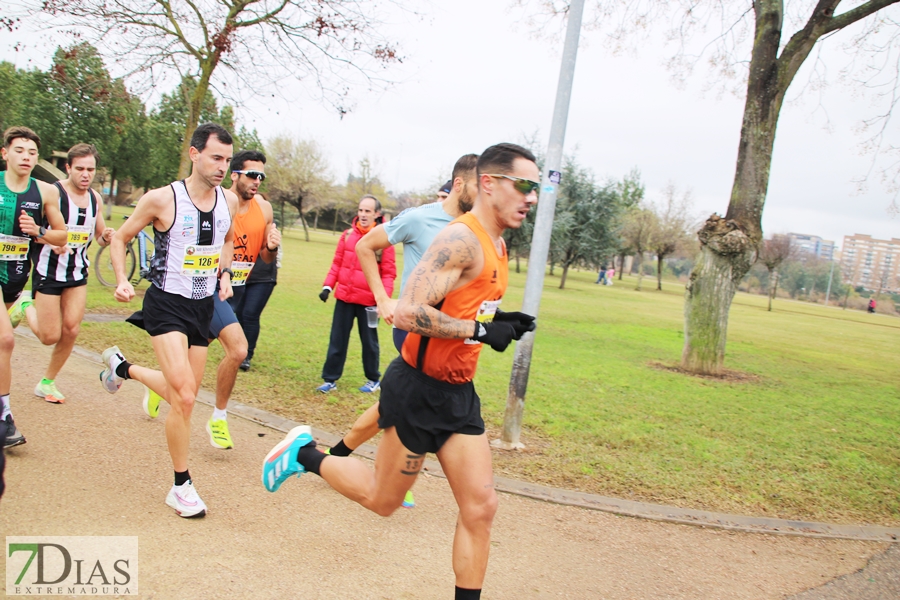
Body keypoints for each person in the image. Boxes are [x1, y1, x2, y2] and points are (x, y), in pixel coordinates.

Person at [262, 143, 539, 600]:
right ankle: (304, 455)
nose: (530, 197)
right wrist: (480, 329)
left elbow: (463, 300)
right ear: (489, 183)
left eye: (535, 189)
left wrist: (499, 319)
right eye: (524, 185)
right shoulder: (460, 239)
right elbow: (408, 311)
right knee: (382, 500)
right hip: (417, 392)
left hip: (458, 394)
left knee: (481, 507)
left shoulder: (498, 243)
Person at [99, 123, 238, 518]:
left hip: (202, 307)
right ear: (194, 154)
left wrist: (224, 274)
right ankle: (181, 486)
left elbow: (227, 240)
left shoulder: (227, 200)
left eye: (227, 160)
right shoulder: (162, 199)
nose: (222, 167)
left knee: (183, 398)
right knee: (187, 396)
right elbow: (120, 237)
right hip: (166, 304)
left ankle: (122, 367)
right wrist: (123, 280)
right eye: (215, 158)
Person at [325, 154, 479, 510]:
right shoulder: (421, 217)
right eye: (478, 186)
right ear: (459, 184)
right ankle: (372, 472)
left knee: (396, 405)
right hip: (414, 329)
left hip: (451, 334)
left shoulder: (476, 228)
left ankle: (339, 454)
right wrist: (382, 298)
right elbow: (366, 246)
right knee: (413, 406)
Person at [109, 150, 279, 452]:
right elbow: (127, 235)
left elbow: (258, 254)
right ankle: (218, 419)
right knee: (238, 350)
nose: (257, 181)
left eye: (261, 176)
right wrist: (123, 280)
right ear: (237, 175)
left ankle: (131, 372)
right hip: (193, 293)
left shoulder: (261, 208)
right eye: (252, 174)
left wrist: (264, 251)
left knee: (183, 385)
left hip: (223, 291)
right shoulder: (205, 198)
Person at [20, 143, 115, 404]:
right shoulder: (53, 193)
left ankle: (47, 382)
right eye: (80, 169)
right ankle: (26, 305)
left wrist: (106, 236)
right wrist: (51, 239)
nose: (86, 174)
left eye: (91, 169)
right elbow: (31, 230)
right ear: (68, 168)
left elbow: (99, 235)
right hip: (48, 270)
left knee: (71, 329)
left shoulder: (95, 198)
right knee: (49, 336)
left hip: (77, 273)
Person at [2, 126, 68, 448]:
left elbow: (62, 236)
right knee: (5, 340)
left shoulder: (45, 192)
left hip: (15, 280)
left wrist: (38, 230)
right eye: (19, 150)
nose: (26, 157)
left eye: (31, 152)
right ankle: (4, 419)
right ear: (5, 153)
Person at [316, 195, 396, 393]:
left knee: (369, 343)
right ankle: (330, 380)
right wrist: (328, 286)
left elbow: (388, 273)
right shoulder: (347, 235)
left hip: (369, 303)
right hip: (344, 297)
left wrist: (382, 300)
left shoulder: (384, 240)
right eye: (360, 210)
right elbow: (337, 263)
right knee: (337, 340)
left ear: (377, 214)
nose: (363, 214)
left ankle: (373, 379)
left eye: (368, 211)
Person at [236, 192, 281, 372]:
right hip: (241, 276)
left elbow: (275, 253)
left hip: (263, 278)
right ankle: (237, 350)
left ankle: (247, 355)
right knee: (237, 313)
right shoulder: (242, 223)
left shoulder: (270, 228)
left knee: (250, 315)